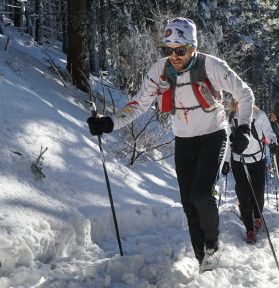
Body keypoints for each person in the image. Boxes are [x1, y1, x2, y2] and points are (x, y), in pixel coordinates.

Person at [86, 17, 254, 271]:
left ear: (193, 47)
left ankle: (213, 246)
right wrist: (108, 123)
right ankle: (203, 260)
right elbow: (139, 103)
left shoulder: (212, 66)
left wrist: (243, 128)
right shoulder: (160, 70)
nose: (173, 56)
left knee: (201, 194)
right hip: (183, 140)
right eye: (168, 49)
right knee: (188, 203)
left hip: (213, 135)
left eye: (180, 50)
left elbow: (245, 93)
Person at [221, 99, 278, 243]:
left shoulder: (260, 115)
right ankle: (249, 228)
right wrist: (226, 161)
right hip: (239, 161)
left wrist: (272, 142)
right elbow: (229, 141)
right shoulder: (232, 117)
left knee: (258, 192)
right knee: (243, 193)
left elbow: (269, 134)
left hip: (257, 160)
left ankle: (258, 216)